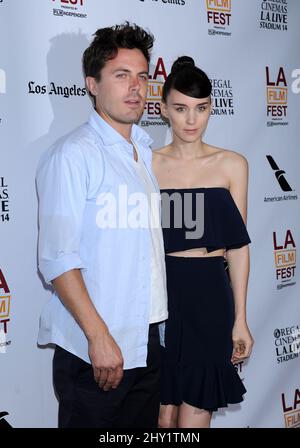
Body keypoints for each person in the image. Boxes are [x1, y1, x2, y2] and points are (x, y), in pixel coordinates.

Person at [36, 22, 168, 428]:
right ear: (92, 85)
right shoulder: (74, 155)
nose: (135, 88)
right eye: (121, 75)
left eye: (142, 76)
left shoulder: (143, 153)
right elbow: (58, 259)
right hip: (98, 348)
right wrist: (99, 337)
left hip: (145, 343)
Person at [152, 56, 254, 428]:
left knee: (194, 416)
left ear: (212, 109)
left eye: (201, 108)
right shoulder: (146, 164)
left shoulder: (232, 164)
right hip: (159, 295)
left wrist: (240, 319)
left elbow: (238, 247)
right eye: (181, 109)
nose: (192, 120)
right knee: (162, 417)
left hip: (210, 296)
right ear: (163, 109)